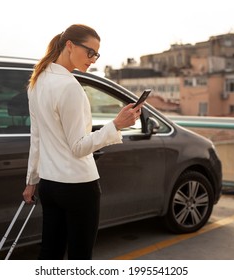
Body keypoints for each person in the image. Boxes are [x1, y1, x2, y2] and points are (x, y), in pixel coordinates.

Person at [22, 24, 143, 260]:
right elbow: (78, 147)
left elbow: (36, 137)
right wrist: (116, 125)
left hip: (49, 185)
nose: (93, 59)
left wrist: (32, 180)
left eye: (96, 54)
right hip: (77, 186)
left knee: (50, 252)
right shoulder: (69, 87)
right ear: (70, 45)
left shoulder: (37, 82)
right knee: (80, 256)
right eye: (90, 52)